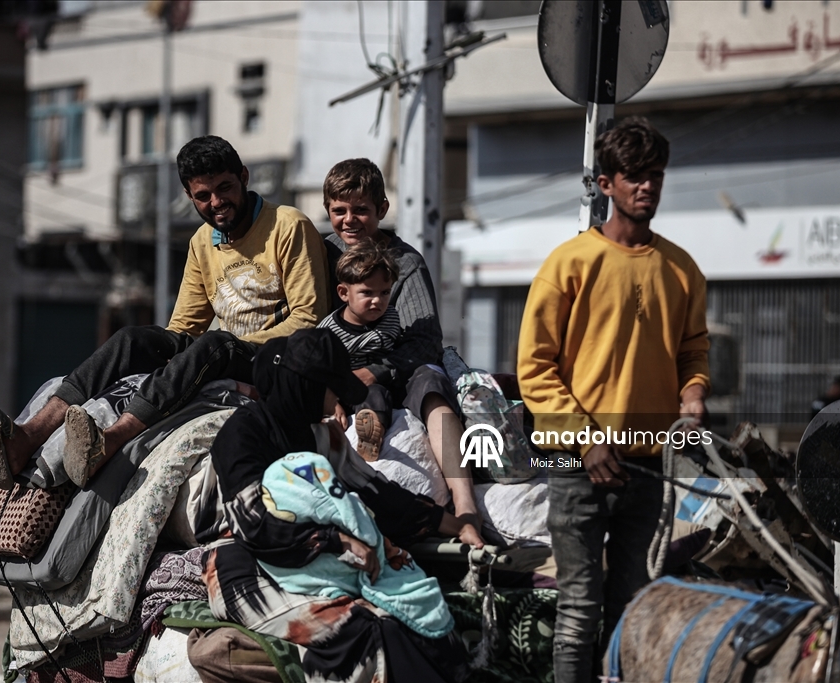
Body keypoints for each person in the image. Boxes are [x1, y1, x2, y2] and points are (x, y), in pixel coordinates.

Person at [0, 135, 329, 489]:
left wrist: (224, 349)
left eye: (225, 188)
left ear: (244, 178)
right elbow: (183, 327)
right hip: (223, 352)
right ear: (189, 197)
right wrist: (166, 360)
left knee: (216, 343)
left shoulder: (288, 225)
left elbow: (308, 320)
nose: (217, 202)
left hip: (277, 359)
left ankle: (109, 441)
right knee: (132, 339)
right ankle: (29, 435)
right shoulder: (203, 242)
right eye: (203, 196)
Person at [516, 117, 710, 683]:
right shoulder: (569, 263)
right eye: (634, 177)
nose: (646, 186)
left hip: (649, 463)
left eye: (655, 176)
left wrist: (693, 391)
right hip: (579, 465)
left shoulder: (682, 268)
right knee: (579, 611)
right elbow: (535, 368)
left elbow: (693, 350)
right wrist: (586, 439)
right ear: (606, 184)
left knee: (632, 611)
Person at [206, 328, 471, 683]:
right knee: (368, 629)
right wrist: (339, 543)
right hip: (251, 564)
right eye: (331, 389)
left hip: (327, 558)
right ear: (306, 387)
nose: (336, 402)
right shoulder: (241, 435)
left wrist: (459, 525)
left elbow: (377, 492)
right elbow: (255, 525)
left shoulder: (322, 434)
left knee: (417, 615)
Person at [322, 158, 484, 548]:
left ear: (382, 209)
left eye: (361, 210)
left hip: (396, 373)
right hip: (338, 372)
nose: (350, 220)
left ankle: (465, 509)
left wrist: (373, 372)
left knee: (432, 379)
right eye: (339, 211)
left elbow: (423, 339)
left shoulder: (405, 263)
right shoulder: (320, 255)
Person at [317, 240, 402, 460]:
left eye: (384, 292)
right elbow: (319, 370)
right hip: (341, 392)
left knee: (376, 395)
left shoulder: (391, 317)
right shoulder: (329, 331)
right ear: (344, 293)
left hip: (381, 386)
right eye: (367, 293)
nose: (378, 301)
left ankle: (372, 435)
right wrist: (332, 402)